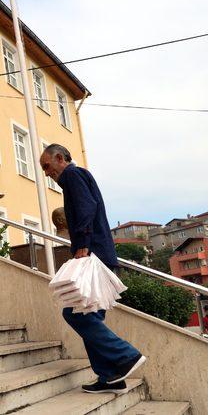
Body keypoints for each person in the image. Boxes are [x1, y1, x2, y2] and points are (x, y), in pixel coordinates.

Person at [40, 143, 146, 394]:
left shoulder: (73, 175)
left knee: (75, 314)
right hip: (100, 255)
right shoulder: (77, 177)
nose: (46, 172)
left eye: (46, 166)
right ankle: (111, 377)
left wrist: (83, 245)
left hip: (94, 255)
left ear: (59, 158)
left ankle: (126, 355)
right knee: (87, 313)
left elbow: (87, 208)